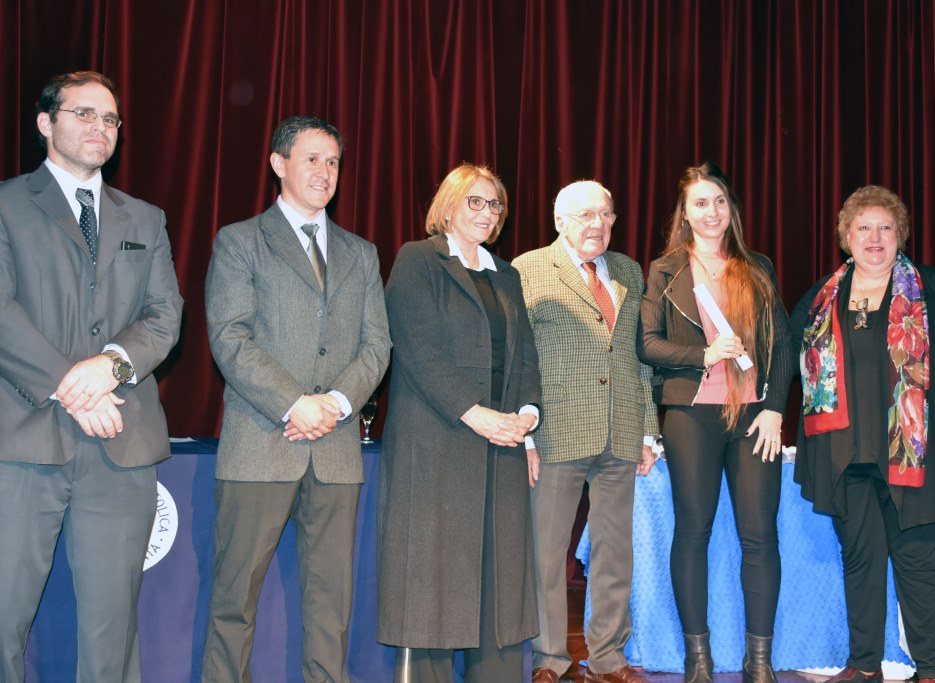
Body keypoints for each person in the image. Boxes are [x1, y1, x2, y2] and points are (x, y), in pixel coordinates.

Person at [0, 70, 184, 682]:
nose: (99, 128)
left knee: (112, 630)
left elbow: (165, 315)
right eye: (83, 114)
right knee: (4, 615)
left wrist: (109, 366)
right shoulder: (5, 205)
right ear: (45, 123)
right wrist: (71, 387)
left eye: (109, 119)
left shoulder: (146, 219)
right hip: (22, 441)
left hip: (121, 445)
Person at [202, 115, 391, 682]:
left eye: (333, 161)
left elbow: (377, 345)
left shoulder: (361, 252)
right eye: (311, 158)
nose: (324, 172)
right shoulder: (240, 241)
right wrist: (295, 403)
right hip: (261, 442)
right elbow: (230, 337)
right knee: (235, 600)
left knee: (330, 606)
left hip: (335, 449)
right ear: (278, 164)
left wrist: (334, 403)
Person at [792, 186, 935, 683]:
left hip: (913, 455)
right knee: (860, 562)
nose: (874, 238)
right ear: (846, 237)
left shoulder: (933, 289)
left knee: (918, 562)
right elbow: (783, 357)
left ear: (900, 235)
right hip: (844, 455)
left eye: (885, 228)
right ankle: (863, 665)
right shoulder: (821, 297)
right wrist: (769, 409)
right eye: (863, 228)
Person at [376, 163, 541, 683]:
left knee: (498, 583)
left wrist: (527, 418)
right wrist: (478, 415)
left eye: (494, 205)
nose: (487, 214)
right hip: (438, 441)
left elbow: (527, 360)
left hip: (502, 445)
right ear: (448, 204)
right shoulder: (418, 261)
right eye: (476, 201)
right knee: (434, 586)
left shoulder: (507, 274)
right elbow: (418, 351)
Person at [637, 162, 792, 683]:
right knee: (694, 530)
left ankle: (759, 662)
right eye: (700, 203)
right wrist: (702, 354)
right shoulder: (665, 270)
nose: (711, 212)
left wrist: (773, 409)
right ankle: (697, 660)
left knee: (759, 535)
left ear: (732, 208)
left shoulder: (758, 267)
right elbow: (647, 344)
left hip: (753, 418)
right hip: (691, 415)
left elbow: (783, 345)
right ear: (684, 212)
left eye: (720, 201)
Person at [512, 180, 659, 683]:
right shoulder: (528, 268)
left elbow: (639, 356)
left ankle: (608, 659)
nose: (596, 224)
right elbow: (518, 357)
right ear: (559, 221)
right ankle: (549, 658)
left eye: (605, 214)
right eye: (584, 215)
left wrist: (647, 431)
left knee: (615, 552)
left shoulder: (629, 271)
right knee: (546, 554)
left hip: (619, 432)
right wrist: (525, 433)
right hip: (554, 431)